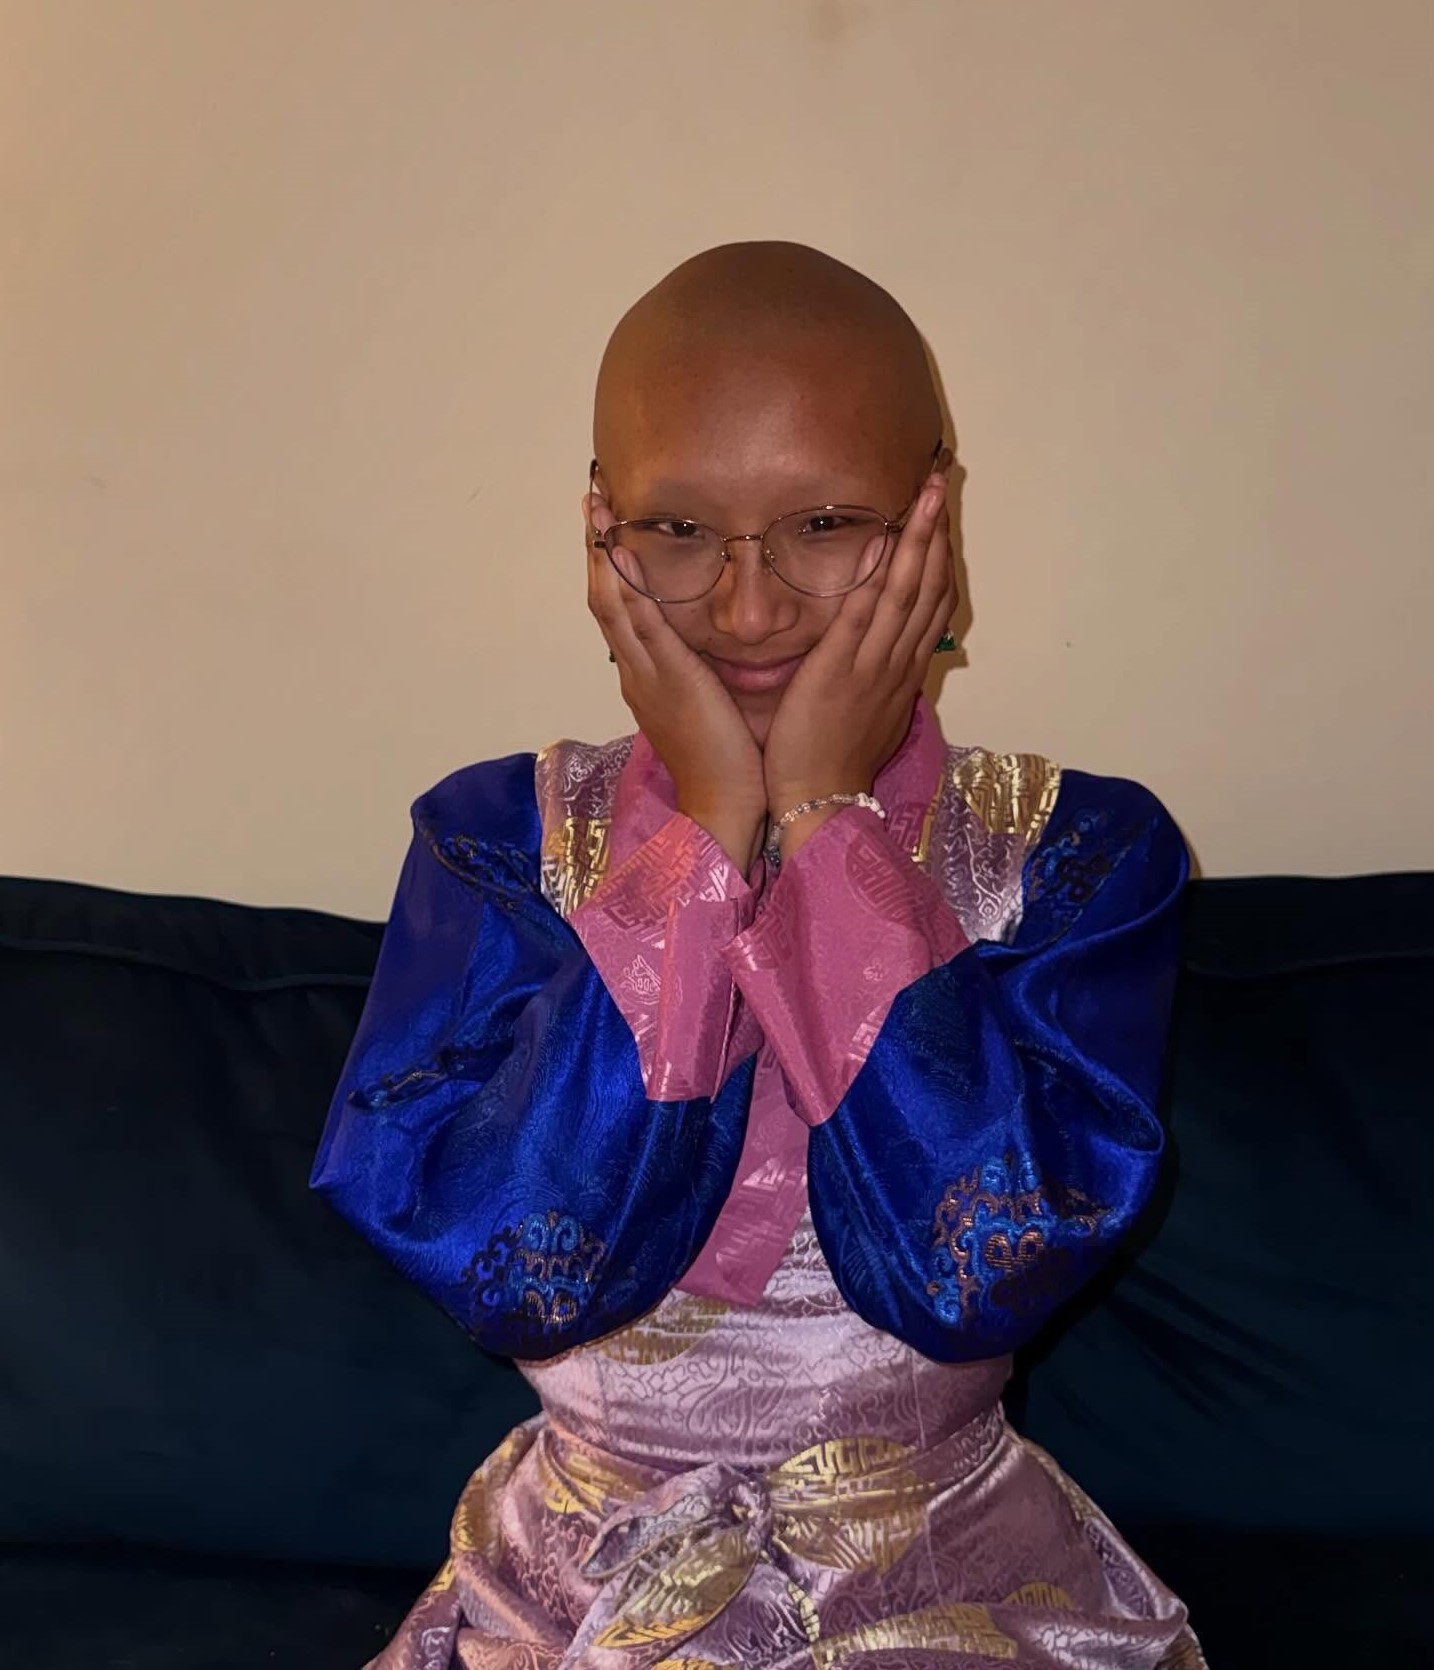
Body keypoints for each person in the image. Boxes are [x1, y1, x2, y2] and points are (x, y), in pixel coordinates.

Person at [312, 242, 1207, 1669]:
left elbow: (972, 1272)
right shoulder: (494, 843)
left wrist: (828, 826)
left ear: (935, 519)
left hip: (949, 1588)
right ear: (599, 529)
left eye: (825, 524)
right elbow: (521, 1271)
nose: (746, 610)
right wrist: (705, 839)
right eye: (678, 529)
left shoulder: (1074, 855)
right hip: (571, 1590)